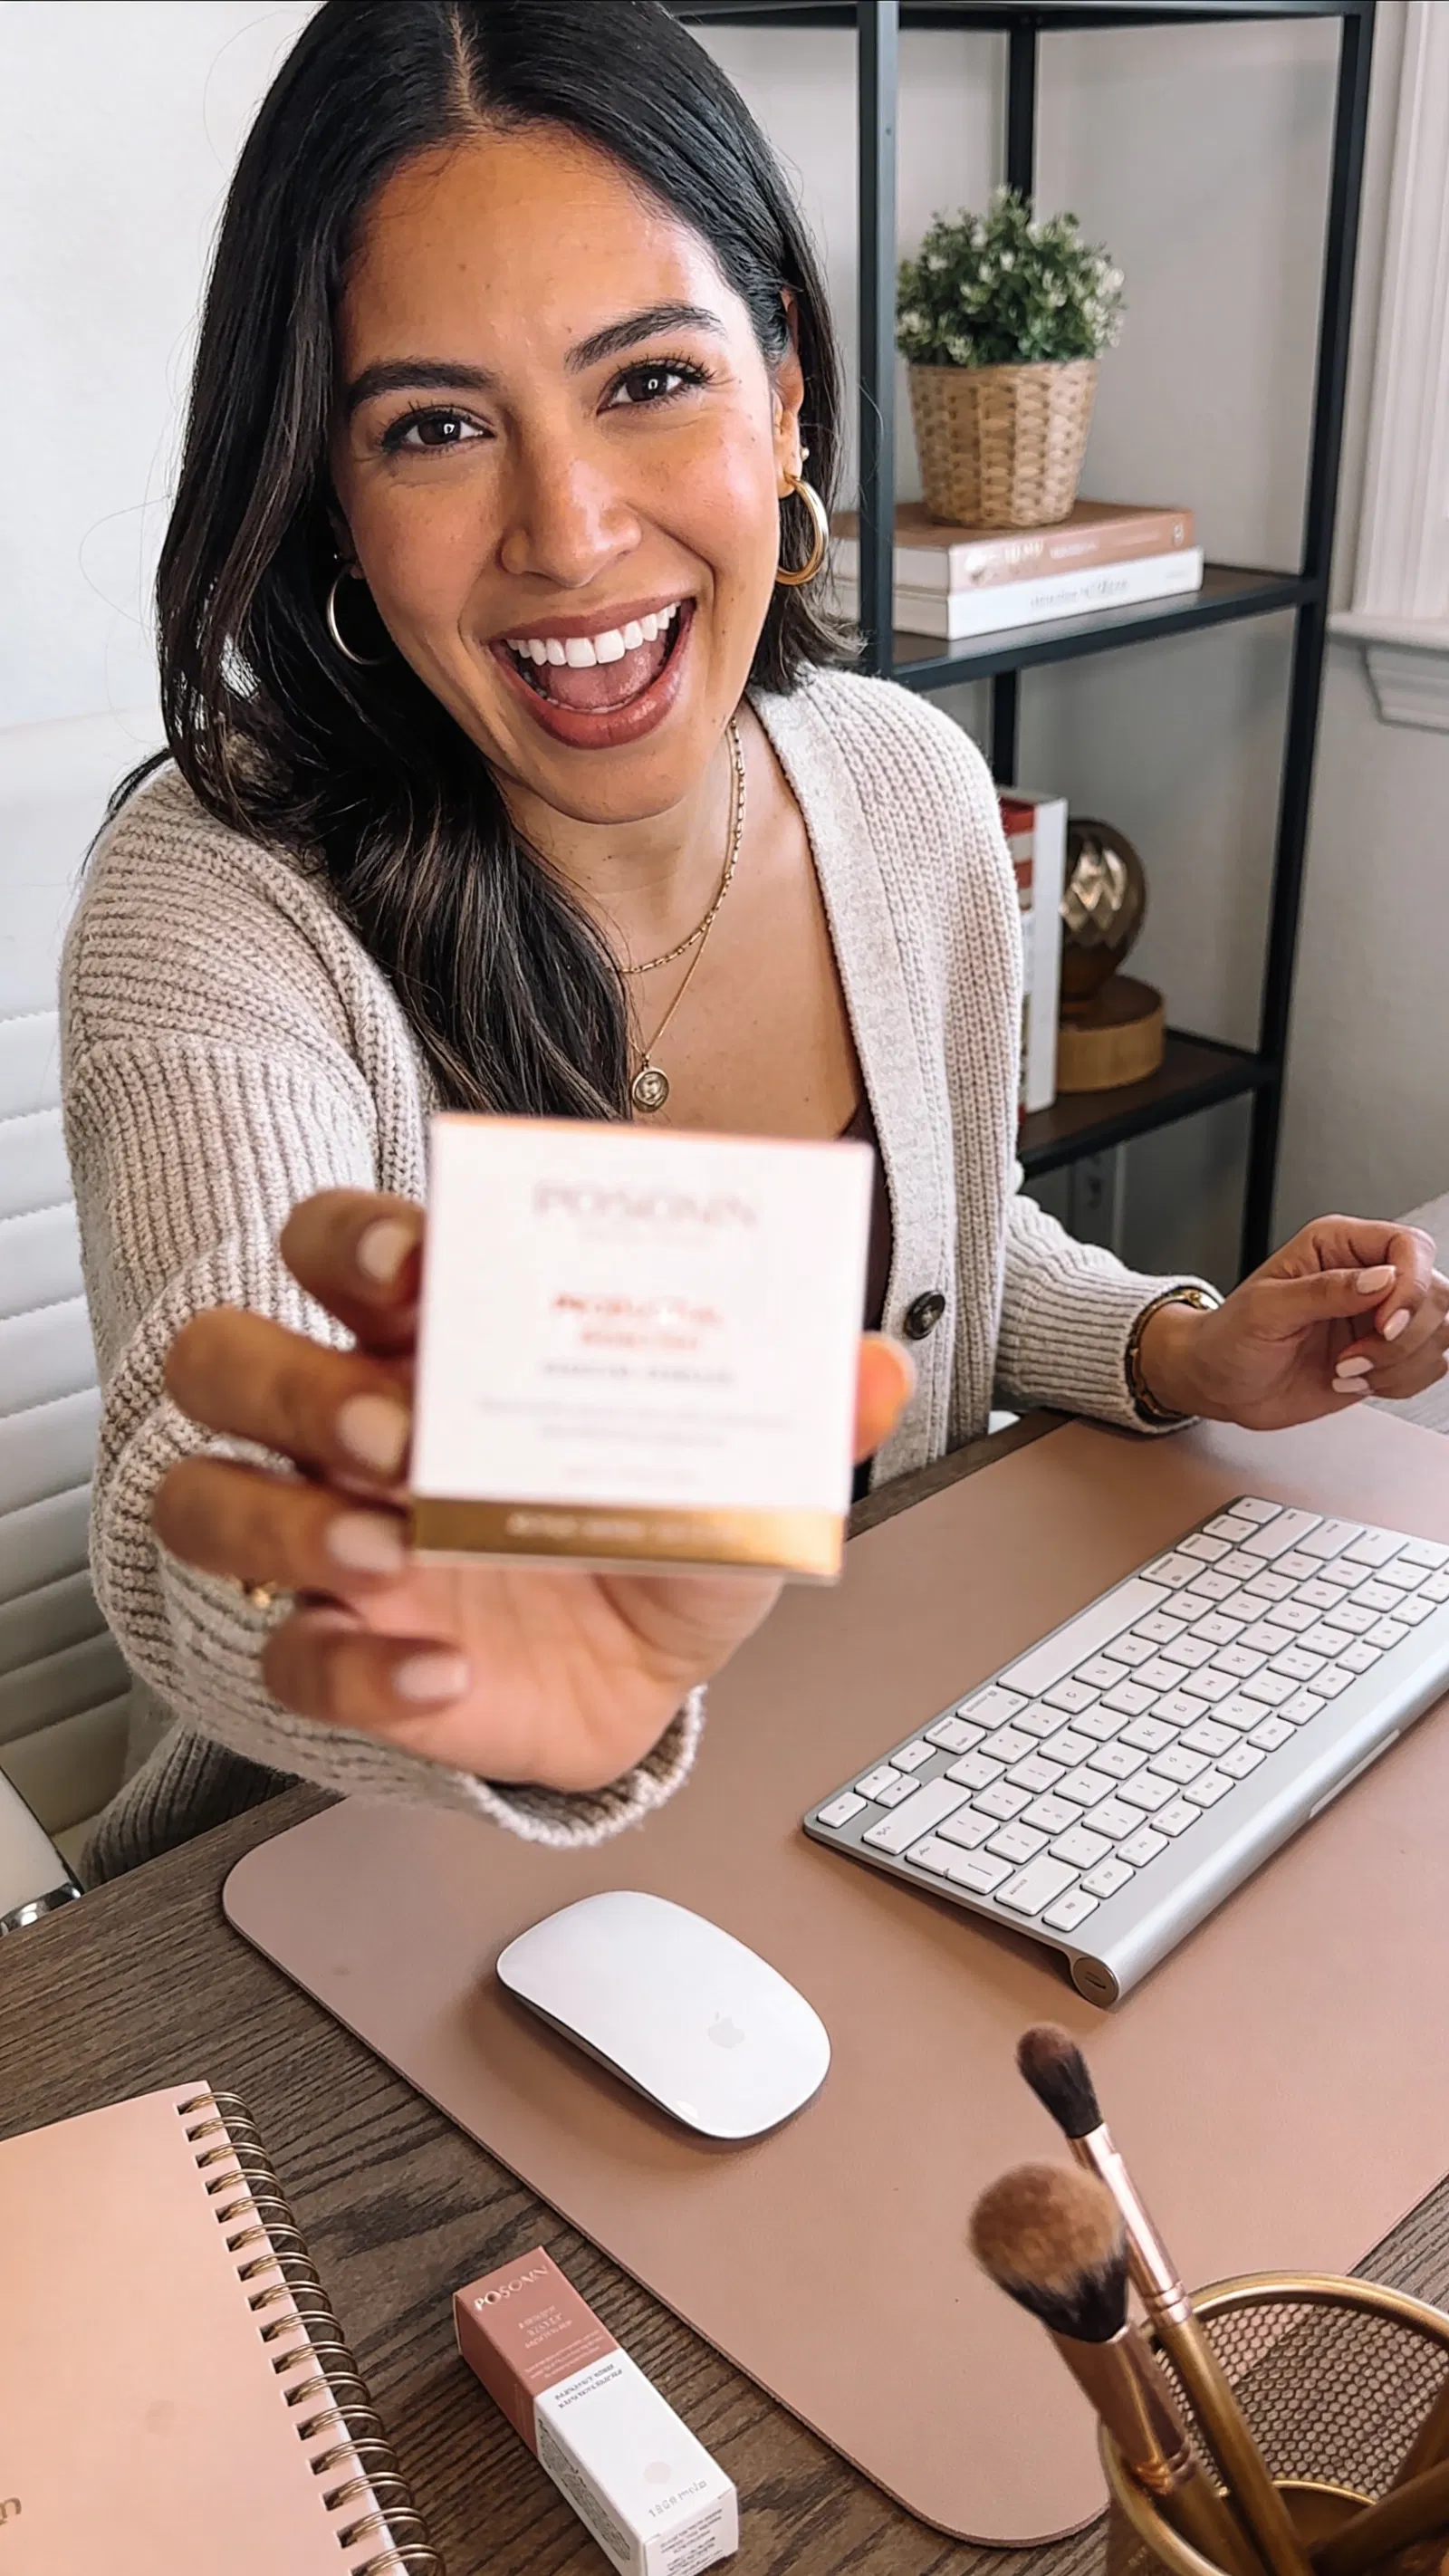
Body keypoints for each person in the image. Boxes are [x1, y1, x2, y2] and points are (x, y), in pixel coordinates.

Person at [63, 0, 1448, 1882]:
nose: (564, 534)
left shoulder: (908, 789)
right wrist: (467, 1639)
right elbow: (183, 1484)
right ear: (329, 488)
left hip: (873, 1779)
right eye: (436, 426)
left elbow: (940, 1246)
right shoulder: (215, 895)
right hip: (348, 1887)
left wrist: (1171, 1350)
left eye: (645, 381)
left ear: (784, 385)